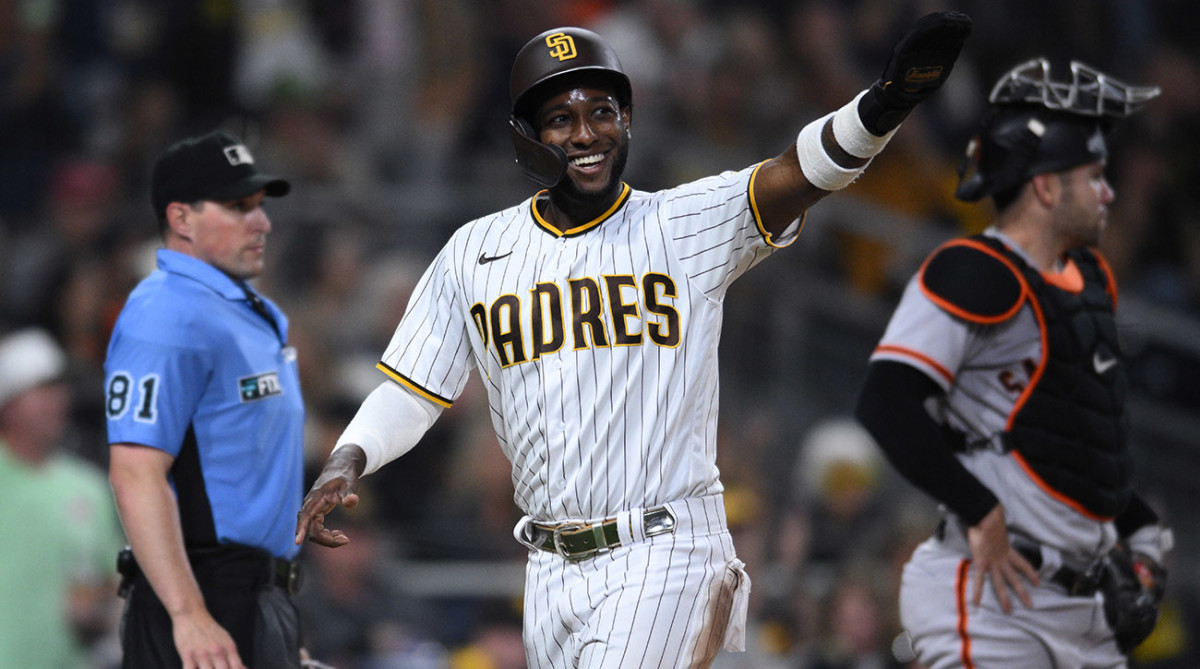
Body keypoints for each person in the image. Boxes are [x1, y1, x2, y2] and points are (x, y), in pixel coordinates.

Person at [297, 13, 972, 669]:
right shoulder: (474, 252)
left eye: (602, 112)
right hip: (549, 571)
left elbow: (797, 173)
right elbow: (413, 391)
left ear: (627, 122)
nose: (587, 132)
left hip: (667, 549)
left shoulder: (681, 223)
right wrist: (347, 459)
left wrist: (883, 106)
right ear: (526, 136)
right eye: (561, 118)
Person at [855, 58, 1174, 668]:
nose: (1107, 193)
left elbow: (1071, 437)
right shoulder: (976, 269)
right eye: (1094, 176)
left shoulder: (1089, 279)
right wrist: (978, 508)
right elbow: (884, 400)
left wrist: (1140, 529)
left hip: (1087, 606)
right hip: (994, 596)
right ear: (1047, 186)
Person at [105, 129, 307, 668]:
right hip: (202, 597)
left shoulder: (242, 309)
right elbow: (134, 472)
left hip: (253, 595)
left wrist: (277, 621)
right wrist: (188, 613)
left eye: (260, 206)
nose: (261, 222)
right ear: (181, 219)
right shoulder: (166, 314)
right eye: (239, 207)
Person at [0, 327, 125, 667]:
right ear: (8, 404)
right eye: (41, 391)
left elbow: (113, 583)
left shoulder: (88, 487)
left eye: (59, 389)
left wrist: (98, 604)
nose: (56, 401)